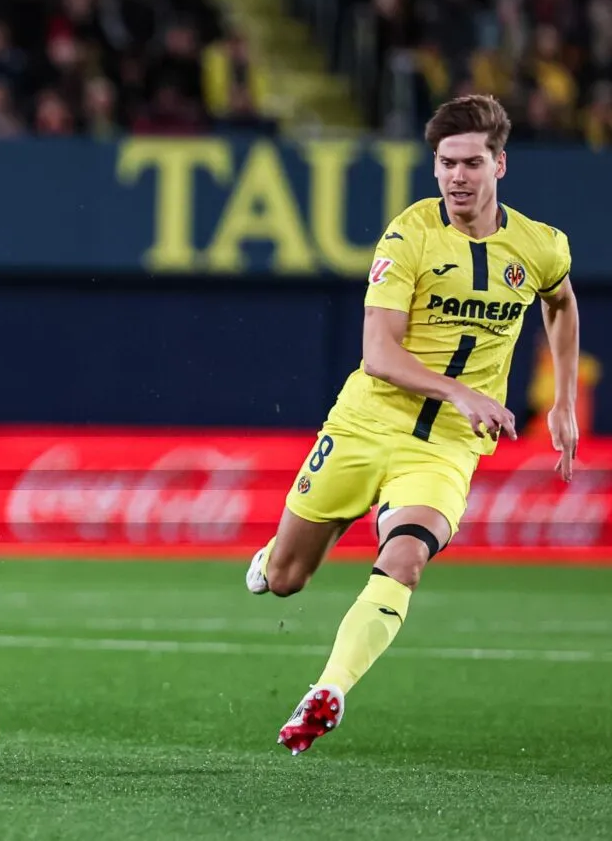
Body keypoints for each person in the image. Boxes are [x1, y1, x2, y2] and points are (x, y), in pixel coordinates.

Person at [246, 95, 580, 754]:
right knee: (286, 577)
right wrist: (462, 391)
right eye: (446, 163)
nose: (458, 176)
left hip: (448, 446)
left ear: (500, 165)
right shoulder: (409, 236)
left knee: (404, 558)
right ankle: (272, 555)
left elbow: (561, 302)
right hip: (369, 421)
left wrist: (564, 399)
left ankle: (329, 690)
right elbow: (380, 351)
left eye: (471, 163)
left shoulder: (539, 245)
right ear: (434, 168)